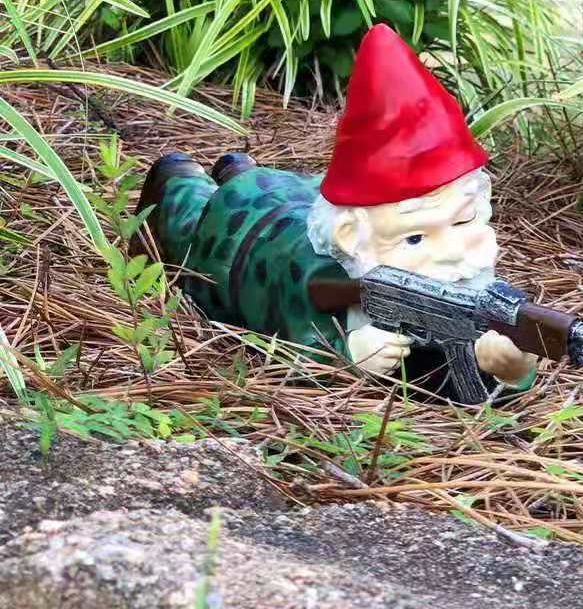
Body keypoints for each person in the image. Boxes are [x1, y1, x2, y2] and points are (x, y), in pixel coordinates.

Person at [135, 24, 536, 401]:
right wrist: (347, 353)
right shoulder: (319, 279)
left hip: (305, 193)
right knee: (199, 216)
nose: (451, 250)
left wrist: (509, 366)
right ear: (349, 239)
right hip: (246, 226)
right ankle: (188, 177)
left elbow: (492, 369)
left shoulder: (474, 285)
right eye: (414, 238)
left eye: (463, 220)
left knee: (274, 186)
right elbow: (286, 346)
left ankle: (240, 169)